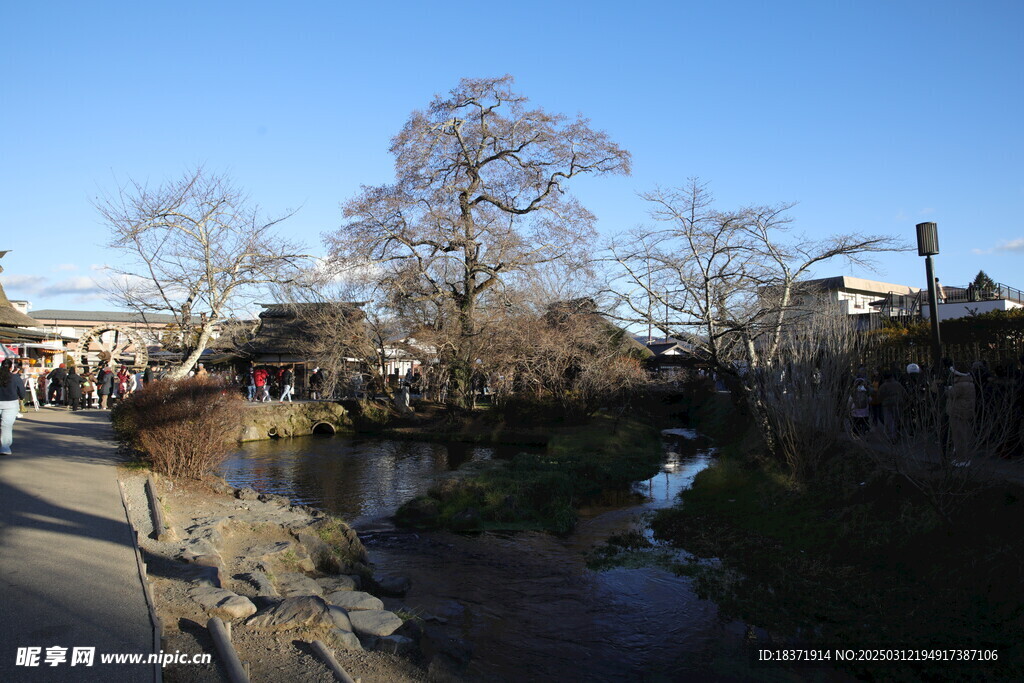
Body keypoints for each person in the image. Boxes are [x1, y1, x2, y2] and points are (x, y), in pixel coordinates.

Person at [0, 359, 26, 455]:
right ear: (11, 368)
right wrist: (22, 398)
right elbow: (22, 391)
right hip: (11, 404)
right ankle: (4, 447)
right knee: (6, 426)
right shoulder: (15, 377)